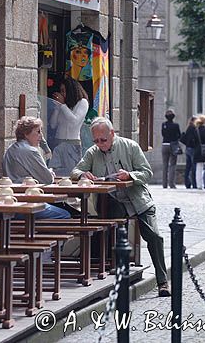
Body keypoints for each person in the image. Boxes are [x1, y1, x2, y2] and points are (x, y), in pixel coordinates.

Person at [71, 117, 171, 297]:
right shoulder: (93, 152)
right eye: (96, 140)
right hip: (112, 201)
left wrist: (130, 176)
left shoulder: (130, 146)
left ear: (112, 134)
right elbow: (75, 171)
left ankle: (162, 281)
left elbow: (147, 172)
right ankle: (117, 274)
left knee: (154, 237)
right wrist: (83, 174)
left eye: (103, 140)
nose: (100, 144)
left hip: (139, 200)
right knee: (113, 228)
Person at [2, 116, 70, 219]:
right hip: (27, 203)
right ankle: (38, 234)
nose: (41, 136)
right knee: (65, 215)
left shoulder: (10, 149)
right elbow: (47, 179)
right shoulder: (31, 151)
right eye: (38, 132)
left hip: (10, 201)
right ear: (26, 134)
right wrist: (50, 173)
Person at [49, 76, 89, 175]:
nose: (62, 94)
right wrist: (57, 108)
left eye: (64, 91)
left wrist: (62, 105)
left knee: (70, 173)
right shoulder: (64, 106)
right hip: (58, 142)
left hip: (72, 143)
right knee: (56, 172)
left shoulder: (82, 103)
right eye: (61, 91)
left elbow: (74, 121)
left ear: (71, 90)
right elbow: (53, 124)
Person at [161, 109, 181, 189]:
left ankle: (164, 184)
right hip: (173, 145)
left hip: (165, 145)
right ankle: (171, 184)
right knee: (172, 165)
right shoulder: (176, 125)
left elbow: (163, 134)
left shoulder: (163, 124)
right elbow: (179, 135)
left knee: (165, 165)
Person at [180, 116, 197, 188]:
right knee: (193, 167)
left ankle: (187, 183)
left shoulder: (188, 128)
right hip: (192, 149)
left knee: (188, 167)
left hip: (187, 149)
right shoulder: (193, 129)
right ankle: (194, 183)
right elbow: (193, 139)